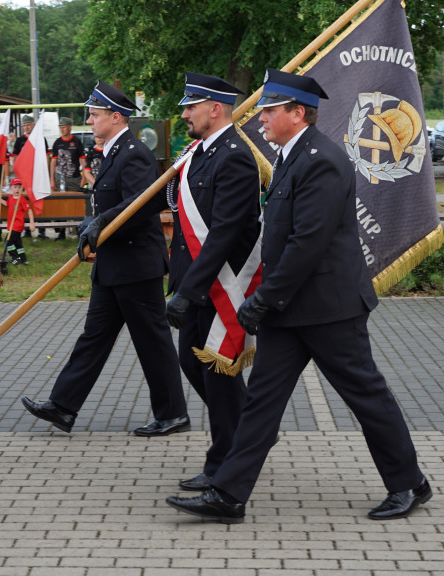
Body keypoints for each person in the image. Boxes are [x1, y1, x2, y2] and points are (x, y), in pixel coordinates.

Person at [166, 69, 430, 524]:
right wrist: (270, 300)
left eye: (270, 111)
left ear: (298, 113)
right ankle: (228, 494)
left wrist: (263, 298)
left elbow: (307, 242)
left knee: (366, 397)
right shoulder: (291, 156)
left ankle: (409, 483)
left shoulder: (322, 160)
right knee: (261, 404)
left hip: (329, 309)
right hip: (288, 311)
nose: (261, 119)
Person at [21, 81, 189, 436]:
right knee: (93, 338)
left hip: (136, 266)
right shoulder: (114, 152)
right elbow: (111, 206)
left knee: (153, 342)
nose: (89, 121)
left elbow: (142, 205)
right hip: (112, 266)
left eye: (95, 115)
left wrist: (102, 222)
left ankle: (173, 414)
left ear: (116, 117)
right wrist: (92, 224)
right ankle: (63, 406)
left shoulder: (134, 153)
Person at [165, 72, 260, 491]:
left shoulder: (234, 156)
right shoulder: (200, 152)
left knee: (218, 378)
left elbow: (223, 233)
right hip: (197, 284)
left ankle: (223, 464)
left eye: (191, 107)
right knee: (192, 363)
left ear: (215, 109)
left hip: (220, 288)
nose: (185, 114)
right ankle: (250, 435)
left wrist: (188, 291)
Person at [1, 177, 37, 264]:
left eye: (19, 187)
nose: (17, 189)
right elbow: (6, 203)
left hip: (17, 225)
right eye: (15, 187)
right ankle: (23, 259)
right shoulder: (10, 197)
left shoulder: (22, 199)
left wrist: (32, 223)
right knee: (17, 243)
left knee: (8, 242)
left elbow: (29, 210)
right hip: (11, 225)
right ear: (11, 188)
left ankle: (16, 258)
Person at [50, 116, 87, 192]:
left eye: (64, 127)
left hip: (74, 178)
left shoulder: (77, 141)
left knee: (75, 198)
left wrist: (84, 178)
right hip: (60, 178)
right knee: (60, 198)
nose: (61, 130)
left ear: (69, 127)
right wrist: (52, 180)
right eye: (60, 127)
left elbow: (83, 161)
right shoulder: (57, 142)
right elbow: (53, 162)